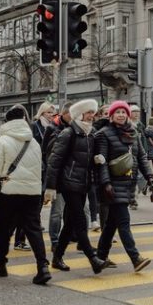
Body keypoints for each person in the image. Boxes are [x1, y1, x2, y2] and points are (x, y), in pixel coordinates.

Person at [0, 104, 50, 285]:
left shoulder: (2, 141)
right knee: (33, 229)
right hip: (32, 193)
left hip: (10, 192)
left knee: (3, 229)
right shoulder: (33, 142)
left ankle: (0, 265)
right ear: (24, 120)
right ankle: (43, 267)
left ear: (7, 122)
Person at [45, 99, 109, 274]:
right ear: (79, 114)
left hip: (84, 184)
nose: (91, 116)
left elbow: (88, 159)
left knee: (71, 222)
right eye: (88, 113)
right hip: (69, 183)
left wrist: (96, 160)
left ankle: (57, 258)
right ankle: (93, 259)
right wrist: (50, 187)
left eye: (93, 113)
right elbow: (54, 161)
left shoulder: (91, 133)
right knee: (80, 221)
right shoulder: (68, 133)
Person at [94, 100, 153, 272]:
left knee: (111, 224)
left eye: (123, 112)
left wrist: (150, 177)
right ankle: (135, 258)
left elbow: (141, 157)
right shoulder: (104, 134)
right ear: (111, 115)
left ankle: (100, 258)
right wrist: (106, 183)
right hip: (112, 184)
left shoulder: (133, 133)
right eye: (117, 112)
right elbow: (101, 162)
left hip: (128, 183)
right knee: (123, 221)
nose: (121, 115)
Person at [42, 101, 73, 252]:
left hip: (73, 175)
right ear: (64, 114)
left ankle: (69, 237)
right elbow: (45, 152)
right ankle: (55, 240)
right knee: (57, 211)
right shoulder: (52, 128)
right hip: (59, 175)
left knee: (74, 210)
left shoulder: (77, 128)